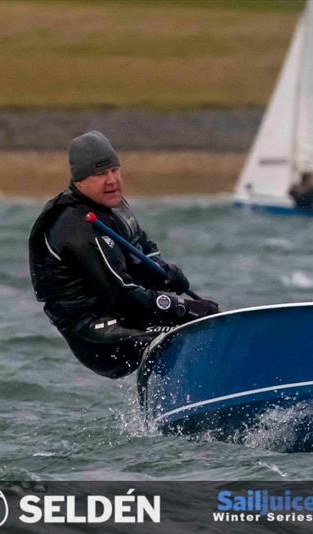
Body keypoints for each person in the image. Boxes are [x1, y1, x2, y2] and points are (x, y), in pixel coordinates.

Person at [28, 131, 219, 379]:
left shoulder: (113, 207)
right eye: (99, 174)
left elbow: (143, 253)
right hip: (93, 332)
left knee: (207, 323)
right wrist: (181, 307)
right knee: (170, 340)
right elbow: (120, 294)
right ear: (79, 180)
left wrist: (167, 275)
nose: (111, 180)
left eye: (114, 170)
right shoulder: (76, 227)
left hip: (125, 313)